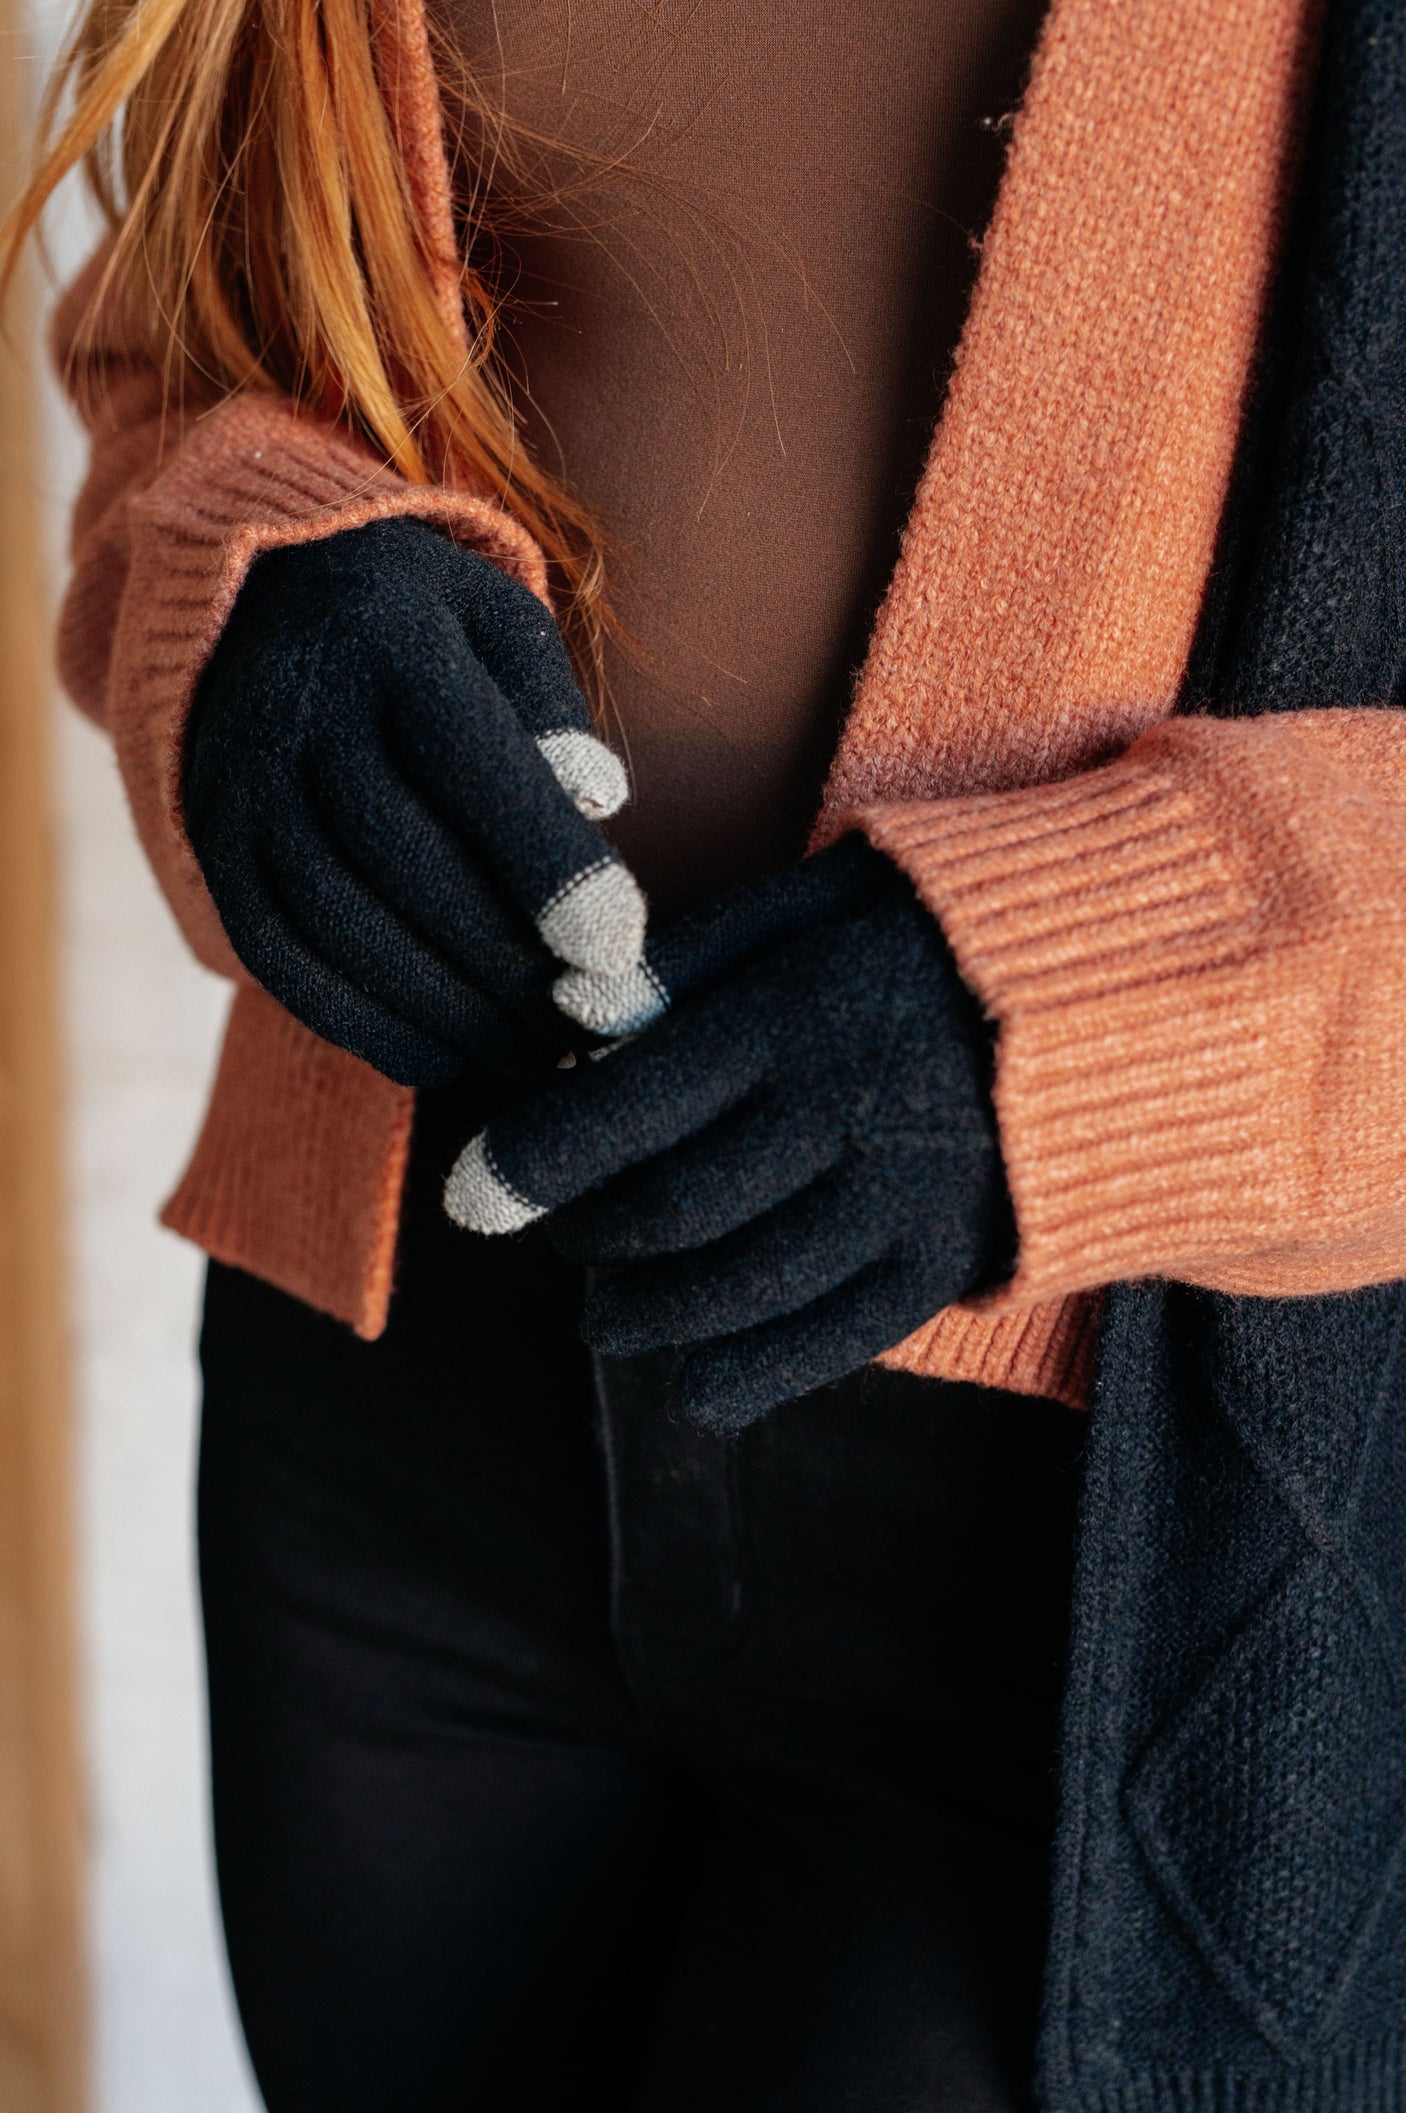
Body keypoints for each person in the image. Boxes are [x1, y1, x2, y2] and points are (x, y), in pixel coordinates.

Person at [6, 0, 1406, 2104]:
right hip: (393, 1426)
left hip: (1102, 1510)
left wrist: (1121, 997)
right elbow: (176, 350)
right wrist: (246, 583)